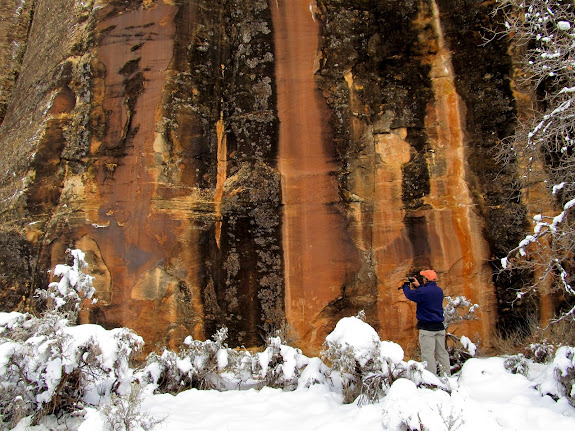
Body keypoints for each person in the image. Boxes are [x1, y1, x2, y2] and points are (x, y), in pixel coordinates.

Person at [401, 269, 451, 376]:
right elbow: (427, 294)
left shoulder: (423, 292)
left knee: (428, 355)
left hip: (427, 329)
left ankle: (431, 379)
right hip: (439, 328)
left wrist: (405, 286)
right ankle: (447, 376)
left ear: (426, 280)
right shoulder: (439, 291)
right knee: (442, 353)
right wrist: (419, 286)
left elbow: (410, 295)